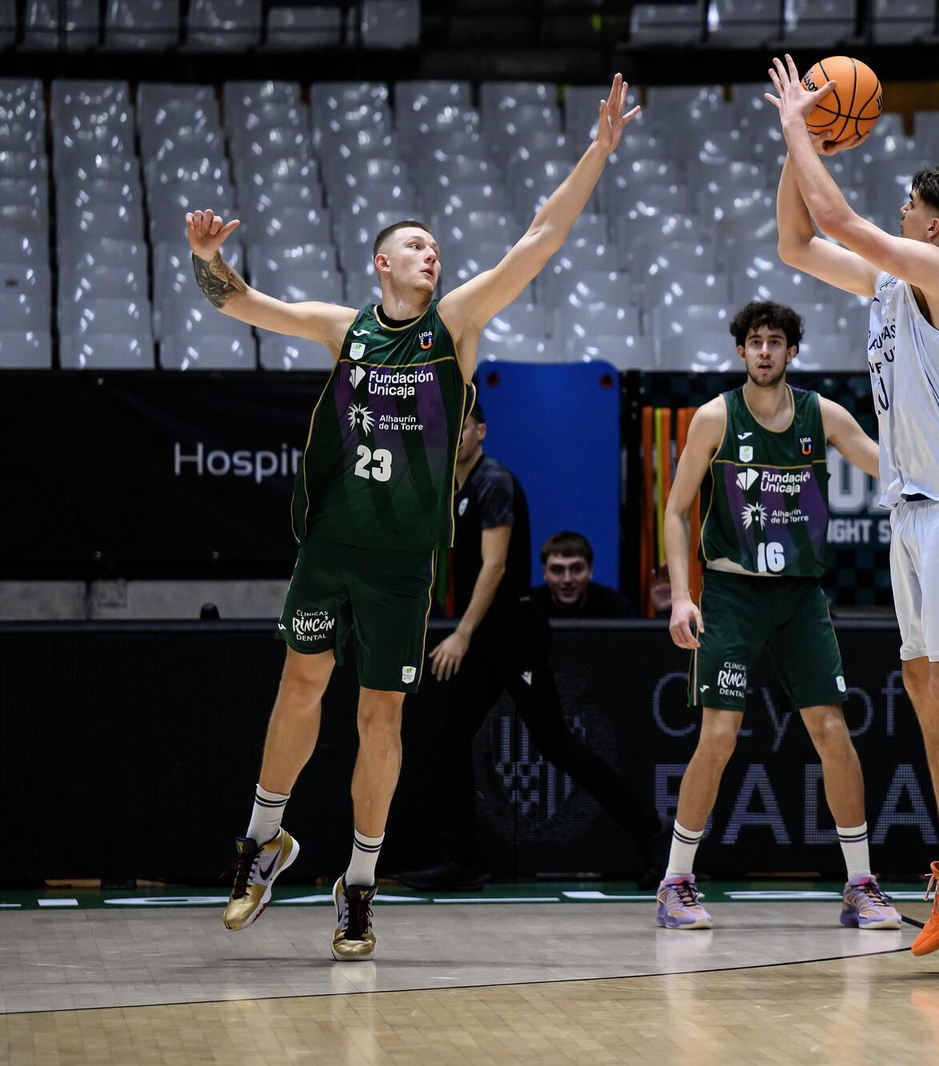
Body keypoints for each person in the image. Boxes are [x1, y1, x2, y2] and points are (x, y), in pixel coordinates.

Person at [208, 76, 639, 961]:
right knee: (299, 686)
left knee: (381, 719)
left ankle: (358, 886)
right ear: (382, 262)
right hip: (332, 540)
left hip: (404, 557)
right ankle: (263, 843)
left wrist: (597, 151)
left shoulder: (454, 325)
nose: (431, 254)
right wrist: (210, 260)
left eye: (436, 245)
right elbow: (246, 306)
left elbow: (539, 239)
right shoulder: (344, 328)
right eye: (416, 244)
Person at [767, 54, 939, 979]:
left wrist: (798, 126)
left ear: (934, 221)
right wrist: (795, 138)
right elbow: (798, 245)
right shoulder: (892, 284)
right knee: (924, 687)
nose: (895, 207)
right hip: (911, 509)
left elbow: (837, 218)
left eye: (910, 199)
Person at [656, 300, 901, 933]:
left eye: (776, 342)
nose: (765, 351)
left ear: (793, 351)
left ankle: (860, 885)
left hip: (801, 597)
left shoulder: (824, 415)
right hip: (734, 597)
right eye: (755, 342)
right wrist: (684, 595)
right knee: (717, 736)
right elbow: (676, 511)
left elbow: (888, 466)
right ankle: (675, 881)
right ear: (740, 351)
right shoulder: (715, 418)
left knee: (833, 732)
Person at [399, 401, 663, 893]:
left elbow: (494, 568)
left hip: (513, 634)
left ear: (481, 430)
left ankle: (651, 831)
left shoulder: (493, 481)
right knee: (448, 737)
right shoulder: (451, 484)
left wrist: (461, 633)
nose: (451, 436)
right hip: (485, 633)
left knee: (556, 745)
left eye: (461, 426)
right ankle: (461, 860)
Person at [531, 531, 636, 618]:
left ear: (590, 570)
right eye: (557, 570)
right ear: (545, 572)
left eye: (576, 569)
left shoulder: (614, 605)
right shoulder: (528, 607)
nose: (567, 579)